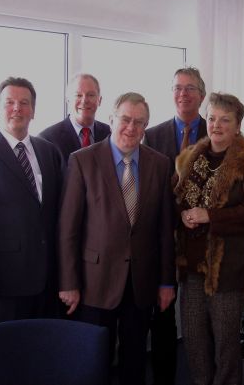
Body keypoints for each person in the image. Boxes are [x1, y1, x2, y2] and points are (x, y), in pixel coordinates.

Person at [58, 92, 176, 385]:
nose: (131, 128)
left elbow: (164, 229)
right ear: (111, 119)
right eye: (125, 119)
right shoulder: (83, 160)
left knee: (134, 359)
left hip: (141, 282)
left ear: (145, 127)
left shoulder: (160, 164)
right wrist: (69, 283)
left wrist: (166, 282)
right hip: (95, 281)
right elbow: (68, 228)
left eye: (139, 122)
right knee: (94, 359)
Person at [174, 92, 244, 385]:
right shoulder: (191, 156)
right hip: (191, 267)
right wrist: (183, 214)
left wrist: (210, 216)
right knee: (193, 337)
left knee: (226, 344)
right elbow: (176, 196)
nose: (216, 125)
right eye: (212, 118)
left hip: (228, 270)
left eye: (225, 120)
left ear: (238, 125)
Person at [0, 77, 63, 324]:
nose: (17, 108)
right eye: (10, 102)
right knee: (11, 356)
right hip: (7, 282)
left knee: (44, 352)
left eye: (24, 103)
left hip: (49, 278)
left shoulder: (48, 151)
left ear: (33, 111)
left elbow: (56, 212)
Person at [144, 66, 207, 385]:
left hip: (203, 240)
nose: (183, 93)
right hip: (163, 237)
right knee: (164, 315)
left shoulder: (219, 132)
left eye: (190, 88)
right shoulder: (152, 135)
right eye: (178, 88)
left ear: (202, 95)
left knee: (200, 316)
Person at [39, 73, 111, 165]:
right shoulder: (47, 140)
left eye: (91, 95)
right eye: (78, 95)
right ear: (68, 100)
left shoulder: (110, 134)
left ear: (99, 100)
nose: (84, 100)